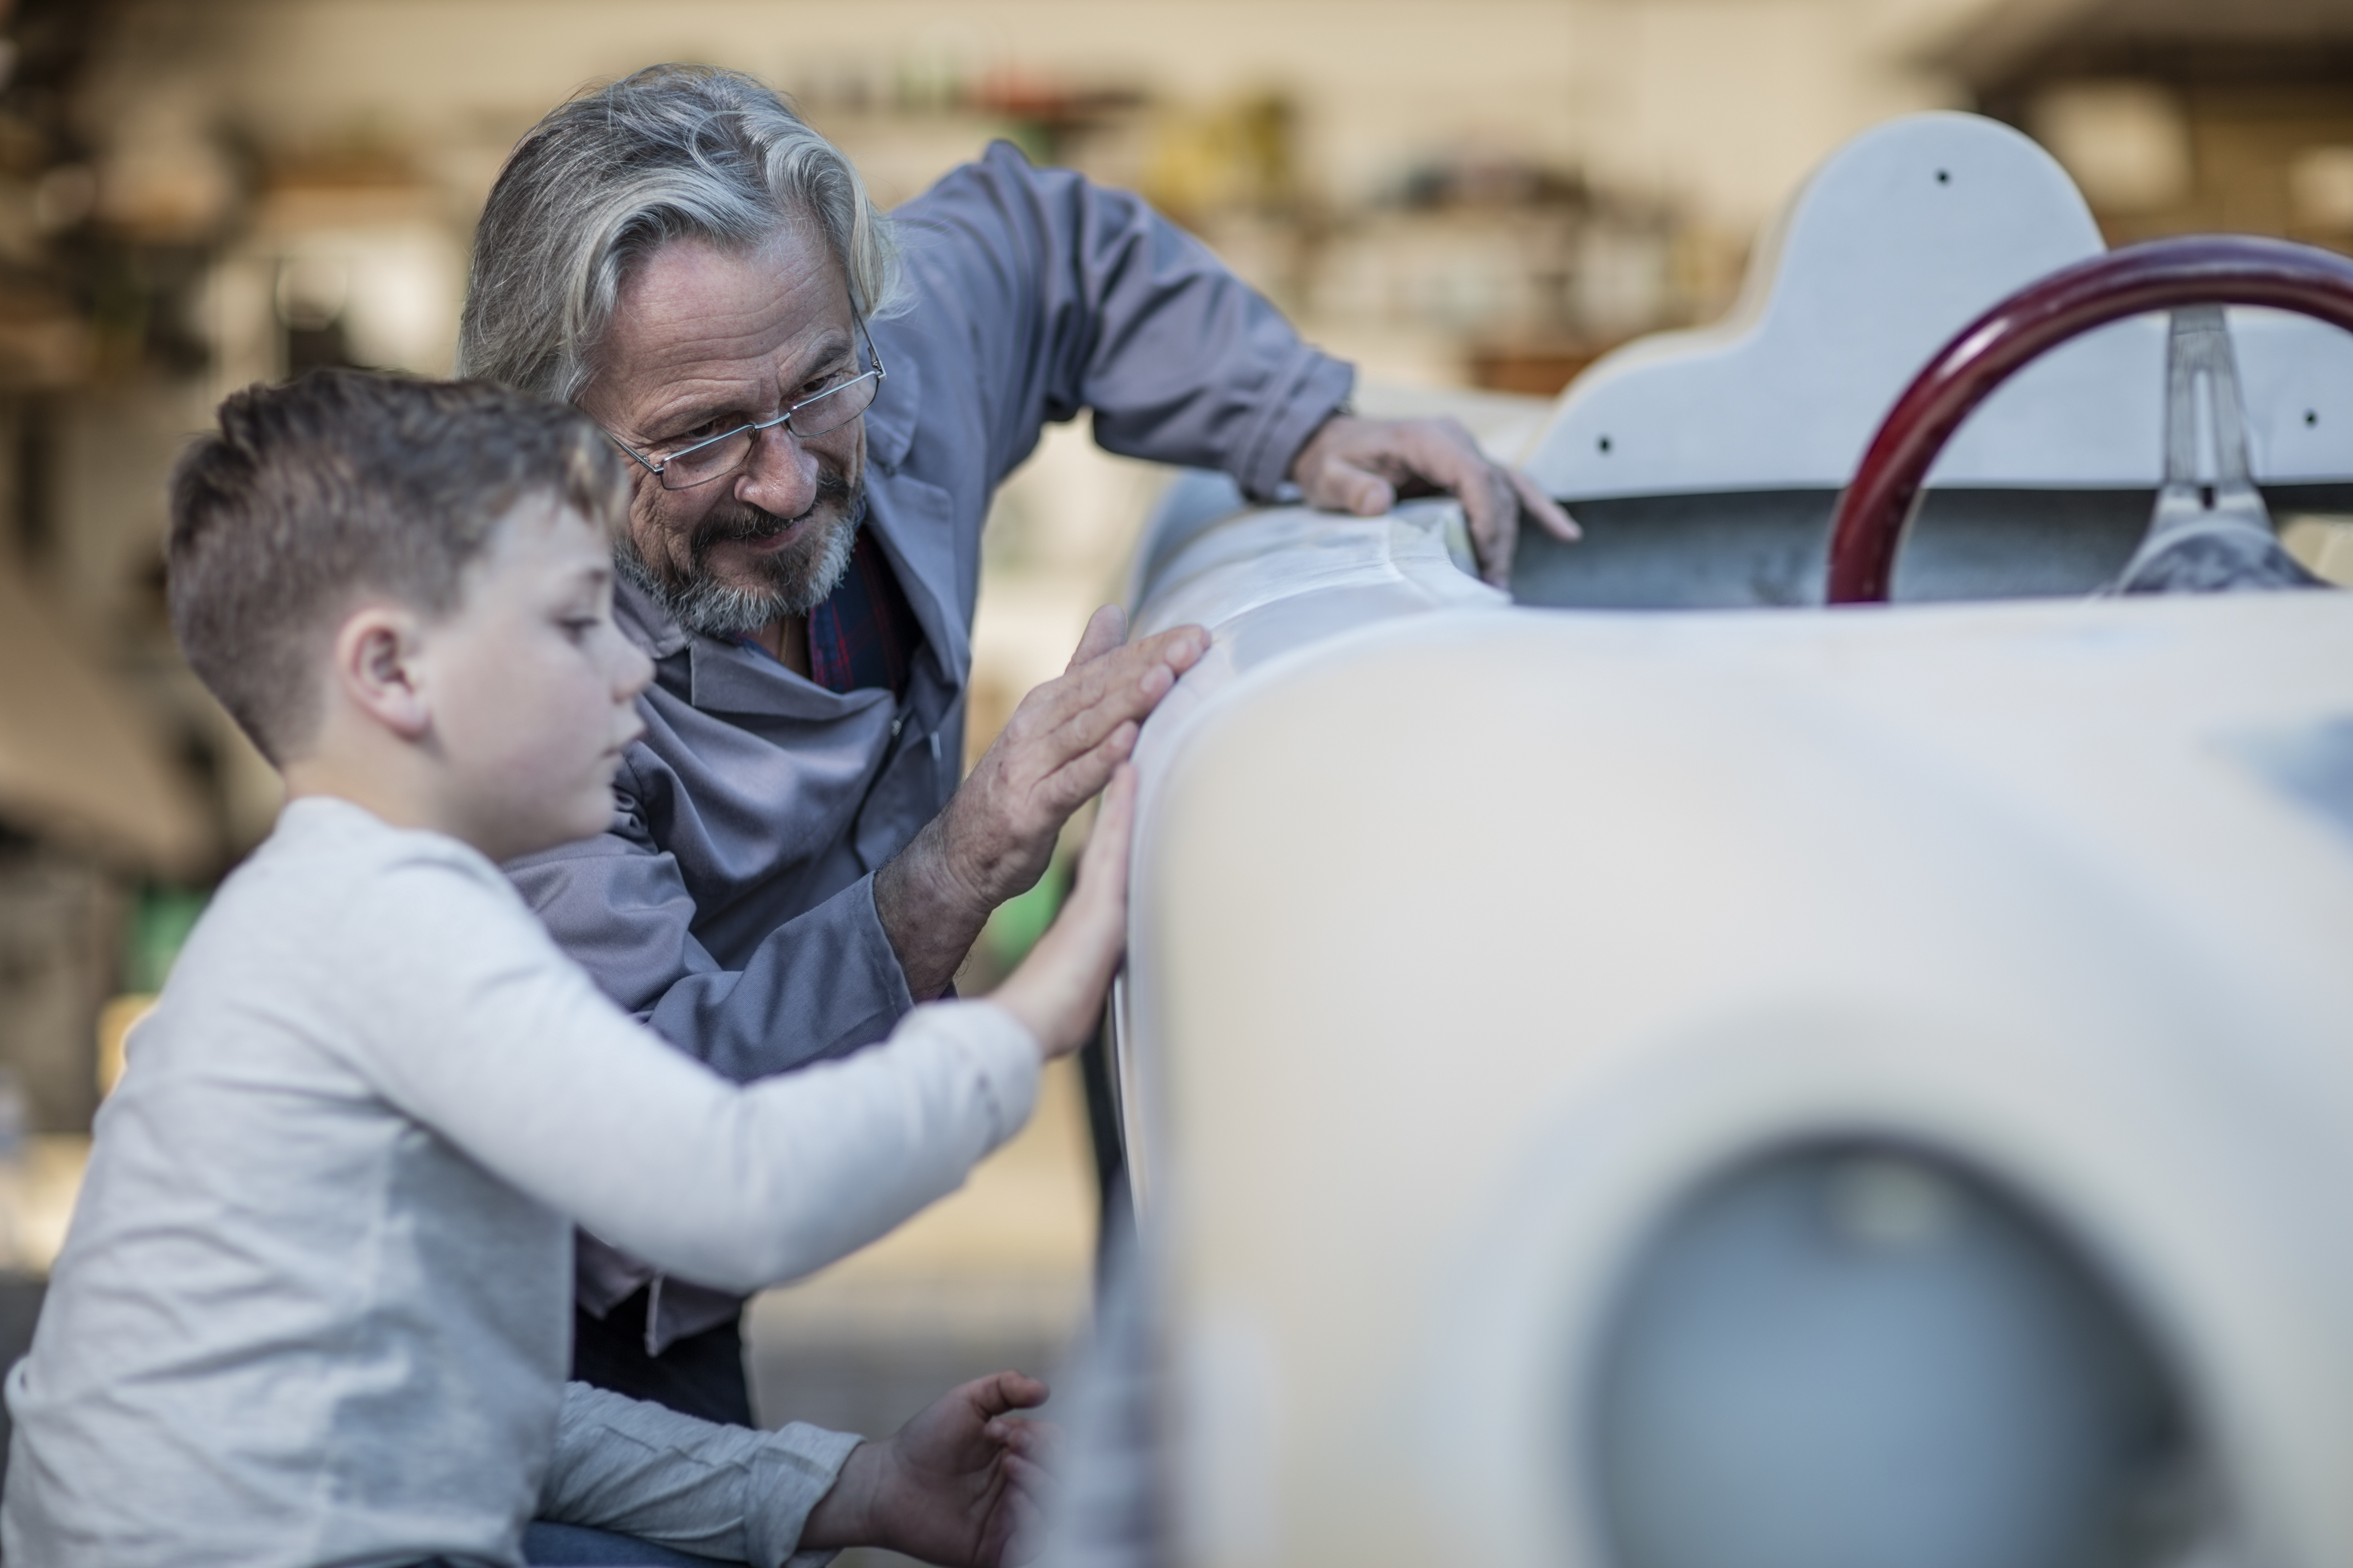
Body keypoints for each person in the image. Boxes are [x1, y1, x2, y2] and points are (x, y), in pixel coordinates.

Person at [457, 64, 1581, 1420]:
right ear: (548, 440)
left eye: (818, 387)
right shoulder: (513, 691)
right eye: (698, 438)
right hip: (527, 1285)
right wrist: (961, 863)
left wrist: (1300, 417)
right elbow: (661, 1142)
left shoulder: (871, 347)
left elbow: (1051, 251)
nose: (789, 476)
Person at [0, 371, 1135, 1568]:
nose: (630, 669)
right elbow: (741, 1186)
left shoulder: (327, 911)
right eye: (573, 619)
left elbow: (478, 1413)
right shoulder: (384, 921)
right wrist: (1037, 1011)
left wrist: (848, 1486)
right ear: (390, 672)